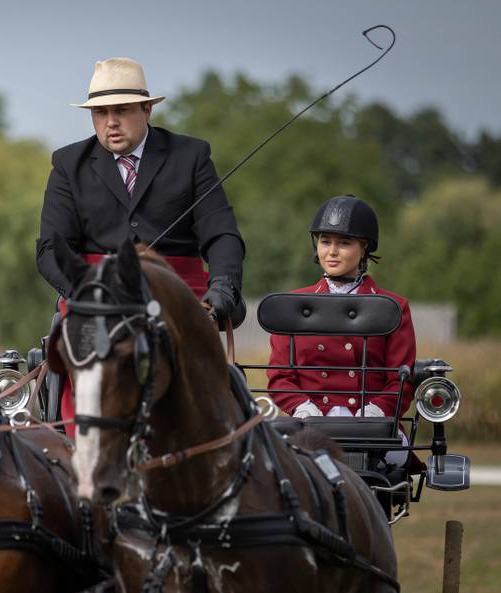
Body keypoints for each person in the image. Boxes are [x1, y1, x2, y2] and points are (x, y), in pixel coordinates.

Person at [36, 57, 245, 433]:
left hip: (179, 293)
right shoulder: (68, 164)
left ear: (147, 109)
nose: (110, 122)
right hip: (95, 293)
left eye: (122, 110)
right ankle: (79, 446)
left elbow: (222, 234)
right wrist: (86, 290)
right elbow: (51, 248)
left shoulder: (191, 156)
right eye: (100, 112)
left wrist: (222, 291)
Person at [267, 195, 416, 422]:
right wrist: (301, 407)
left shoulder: (393, 306)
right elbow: (280, 376)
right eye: (325, 242)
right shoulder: (291, 304)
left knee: (396, 458)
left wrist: (377, 411)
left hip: (371, 421)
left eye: (344, 243)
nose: (332, 252)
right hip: (310, 418)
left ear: (364, 247)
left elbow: (402, 378)